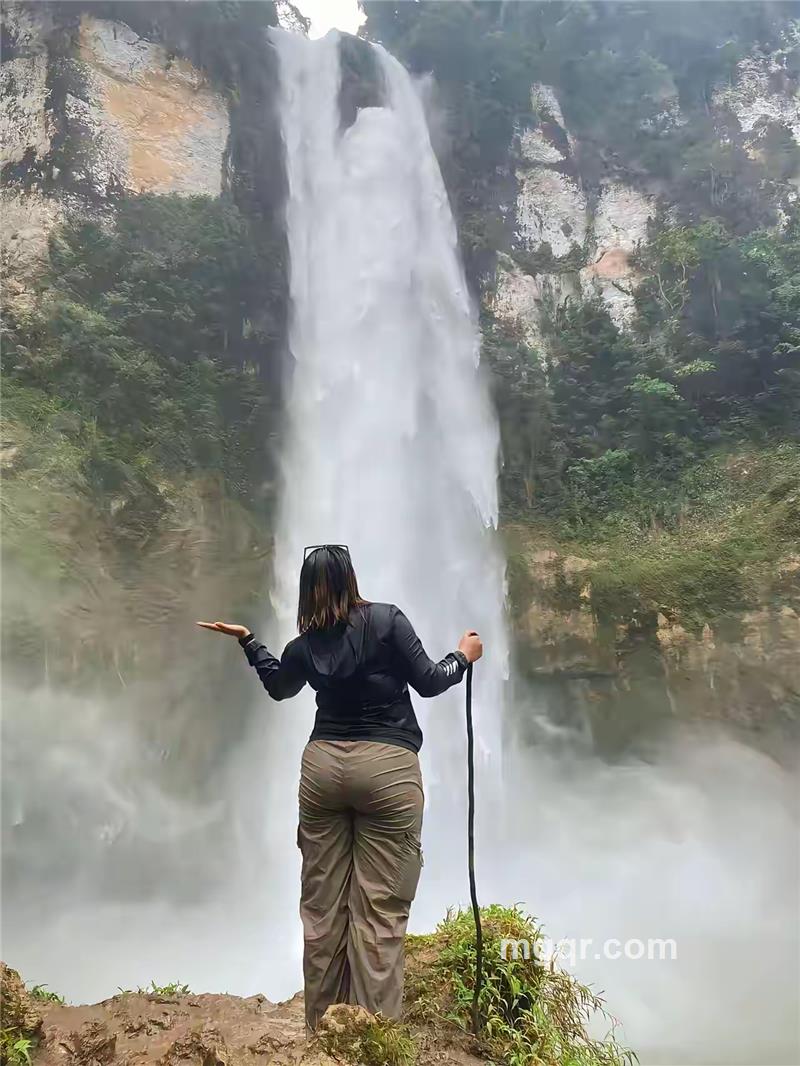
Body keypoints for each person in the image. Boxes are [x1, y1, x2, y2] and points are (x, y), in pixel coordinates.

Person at [197, 544, 483, 1029]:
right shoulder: (388, 621)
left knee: (322, 909)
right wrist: (464, 655)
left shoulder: (303, 647)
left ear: (306, 589)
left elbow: (278, 686)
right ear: (350, 578)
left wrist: (249, 642)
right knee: (379, 910)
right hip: (387, 771)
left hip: (323, 771)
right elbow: (432, 681)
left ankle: (322, 1032)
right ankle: (372, 1038)